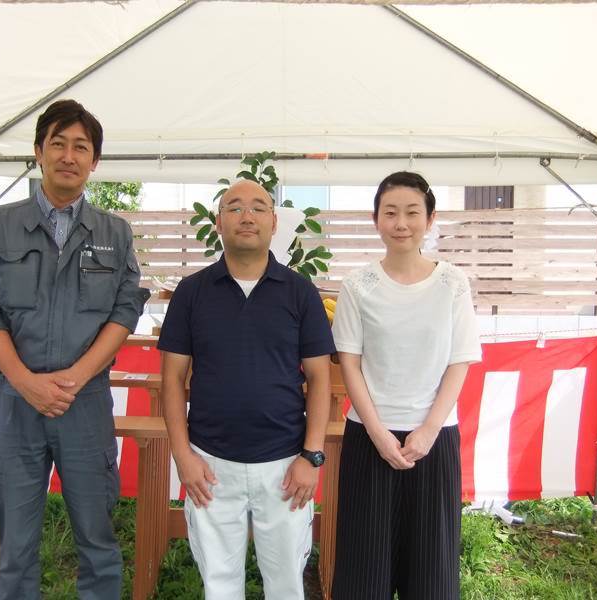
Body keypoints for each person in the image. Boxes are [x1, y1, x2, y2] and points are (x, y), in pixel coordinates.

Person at [0, 99, 149, 599]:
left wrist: (78, 377)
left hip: (83, 403)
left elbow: (124, 311)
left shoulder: (114, 232)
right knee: (16, 546)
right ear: (39, 153)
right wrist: (26, 381)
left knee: (97, 537)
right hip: (16, 402)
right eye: (58, 144)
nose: (69, 155)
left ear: (94, 161)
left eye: (81, 147)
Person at [157, 179, 335, 600]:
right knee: (219, 586)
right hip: (209, 466)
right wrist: (183, 457)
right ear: (219, 222)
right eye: (234, 207)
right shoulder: (192, 292)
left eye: (258, 207)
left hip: (286, 466)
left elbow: (321, 378)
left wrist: (311, 456)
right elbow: (171, 380)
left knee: (287, 584)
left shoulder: (299, 292)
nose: (247, 215)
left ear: (274, 222)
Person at [331, 171, 482, 599]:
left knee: (431, 572)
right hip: (368, 438)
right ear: (375, 219)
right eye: (391, 212)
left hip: (433, 441)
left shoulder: (453, 283)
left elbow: (459, 360)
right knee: (364, 571)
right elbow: (350, 363)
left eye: (412, 212)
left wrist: (429, 430)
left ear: (430, 219)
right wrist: (379, 433)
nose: (402, 223)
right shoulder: (357, 286)